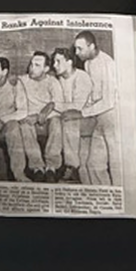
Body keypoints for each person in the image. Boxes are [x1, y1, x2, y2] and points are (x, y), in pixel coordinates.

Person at [74, 31, 121, 187]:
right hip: (98, 117)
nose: (76, 53)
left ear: (92, 46)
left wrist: (83, 112)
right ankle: (103, 194)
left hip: (112, 116)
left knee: (116, 162)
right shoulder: (87, 63)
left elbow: (109, 101)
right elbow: (93, 93)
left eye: (80, 49)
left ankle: (120, 194)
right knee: (94, 164)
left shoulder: (108, 63)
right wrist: (85, 106)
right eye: (76, 48)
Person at [47, 47, 93, 183]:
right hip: (65, 115)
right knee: (55, 121)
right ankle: (51, 166)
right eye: (54, 62)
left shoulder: (82, 77)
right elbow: (58, 103)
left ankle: (72, 166)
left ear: (69, 62)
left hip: (87, 117)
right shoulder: (58, 79)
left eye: (58, 61)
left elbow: (77, 107)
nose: (54, 65)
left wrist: (54, 106)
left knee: (69, 119)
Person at [14, 51, 62, 181]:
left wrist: (43, 114)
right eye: (31, 64)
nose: (31, 68)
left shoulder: (53, 82)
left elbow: (59, 105)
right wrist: (33, 116)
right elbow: (20, 106)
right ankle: (37, 168)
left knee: (57, 122)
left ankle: (52, 167)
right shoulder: (22, 81)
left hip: (48, 119)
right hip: (30, 118)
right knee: (24, 125)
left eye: (37, 65)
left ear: (46, 69)